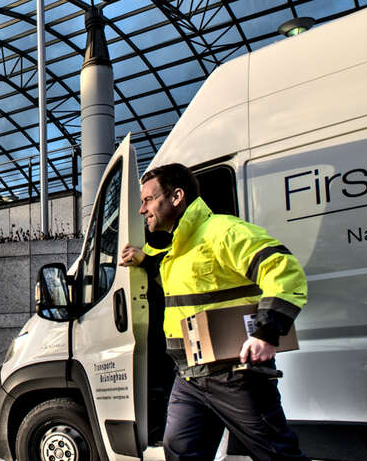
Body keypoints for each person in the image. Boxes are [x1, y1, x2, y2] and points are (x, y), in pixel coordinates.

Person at [120, 163, 308, 461]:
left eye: (147, 199)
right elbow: (184, 279)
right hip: (188, 378)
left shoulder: (222, 231)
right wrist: (144, 259)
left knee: (277, 454)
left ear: (176, 196)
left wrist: (267, 331)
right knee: (180, 452)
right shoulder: (178, 249)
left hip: (234, 377)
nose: (142, 209)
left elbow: (283, 269)